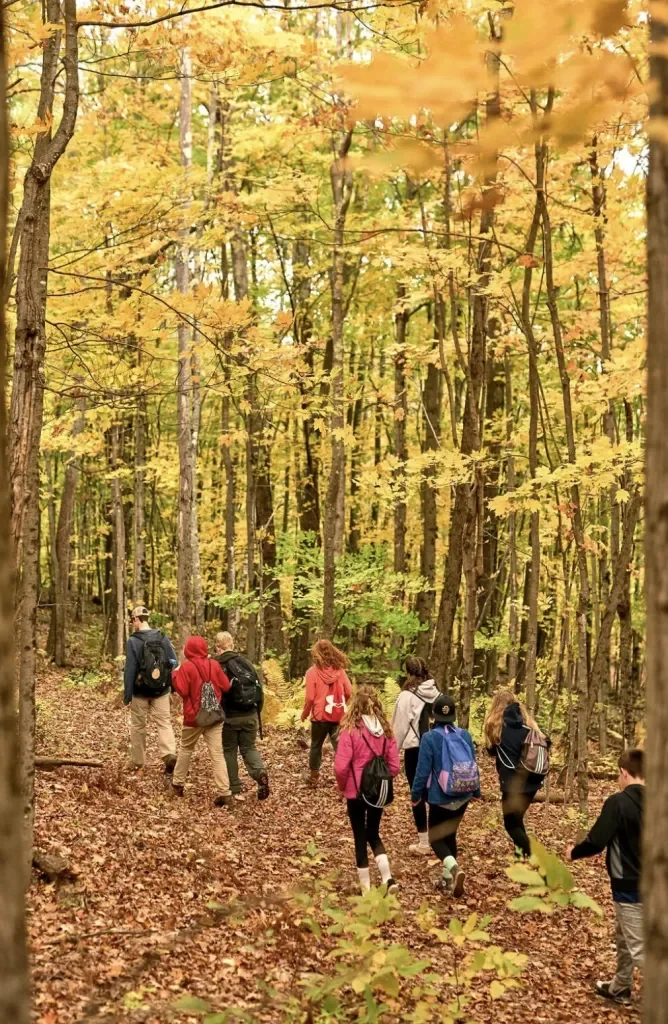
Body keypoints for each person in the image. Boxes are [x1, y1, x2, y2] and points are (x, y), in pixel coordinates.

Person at [566, 748, 644, 1007]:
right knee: (625, 938)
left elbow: (597, 841)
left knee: (639, 949)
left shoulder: (618, 803)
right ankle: (620, 987)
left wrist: (573, 853)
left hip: (630, 887)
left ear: (623, 772)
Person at [410, 693, 479, 895]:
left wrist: (415, 796)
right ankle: (448, 882)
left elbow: (422, 772)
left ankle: (454, 868)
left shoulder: (429, 738)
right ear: (454, 715)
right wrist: (476, 790)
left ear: (434, 716)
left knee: (435, 838)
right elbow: (473, 763)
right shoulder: (464, 735)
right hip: (464, 795)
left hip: (441, 798)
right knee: (450, 835)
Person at [334, 685, 401, 893]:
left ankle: (366, 889)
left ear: (355, 704)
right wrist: (382, 776)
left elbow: (341, 766)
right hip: (376, 792)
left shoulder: (350, 730)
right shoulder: (386, 730)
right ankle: (388, 878)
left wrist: (342, 786)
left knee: (359, 836)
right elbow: (395, 766)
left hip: (355, 791)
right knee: (373, 832)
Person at [483, 689, 550, 858]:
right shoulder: (529, 727)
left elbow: (491, 751)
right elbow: (547, 742)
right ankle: (519, 857)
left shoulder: (496, 728)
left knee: (510, 825)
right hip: (533, 781)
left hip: (512, 783)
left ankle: (535, 855)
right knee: (517, 819)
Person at [170, 635, 234, 808]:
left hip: (194, 718)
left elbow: (182, 691)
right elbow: (226, 686)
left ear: (189, 650)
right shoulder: (214, 664)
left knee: (186, 750)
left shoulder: (187, 667)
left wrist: (175, 673)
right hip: (214, 717)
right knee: (217, 754)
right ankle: (225, 793)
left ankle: (177, 785)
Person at [392, 656, 440, 855]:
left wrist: (391, 753)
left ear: (408, 673)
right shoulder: (437, 693)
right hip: (437, 749)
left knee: (417, 793)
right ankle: (440, 838)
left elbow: (399, 728)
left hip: (416, 750)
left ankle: (423, 842)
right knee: (435, 792)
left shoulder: (406, 697)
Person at [213, 631, 269, 802]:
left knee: (229, 750)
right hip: (251, 713)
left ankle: (234, 786)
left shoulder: (217, 665)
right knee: (249, 747)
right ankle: (259, 773)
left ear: (217, 647)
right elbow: (259, 688)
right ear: (232, 645)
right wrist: (257, 711)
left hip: (229, 716)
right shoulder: (246, 663)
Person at [123, 606, 178, 775]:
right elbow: (173, 662)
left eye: (133, 620)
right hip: (161, 690)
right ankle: (169, 754)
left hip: (140, 691)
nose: (133, 624)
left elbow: (130, 669)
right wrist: (169, 684)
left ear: (138, 619)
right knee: (164, 722)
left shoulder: (133, 641)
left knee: (139, 726)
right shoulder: (162, 636)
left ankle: (137, 761)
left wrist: (127, 695)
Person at [301, 639, 352, 787]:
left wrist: (305, 713)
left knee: (316, 745)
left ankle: (314, 777)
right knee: (339, 747)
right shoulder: (340, 671)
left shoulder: (312, 672)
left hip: (319, 716)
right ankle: (345, 778)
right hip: (337, 715)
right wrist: (341, 704)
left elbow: (310, 698)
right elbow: (349, 691)